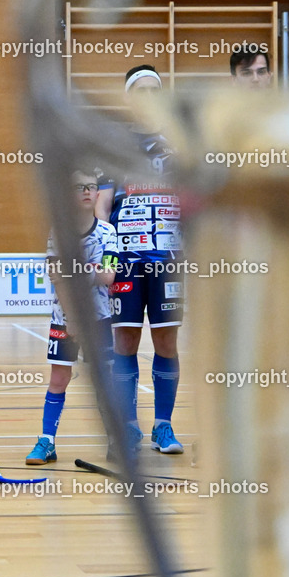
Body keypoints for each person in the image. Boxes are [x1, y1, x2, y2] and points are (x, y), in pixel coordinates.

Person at [96, 65, 185, 456]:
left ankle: (163, 426)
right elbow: (101, 207)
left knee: (166, 340)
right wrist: (104, 254)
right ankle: (128, 427)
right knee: (125, 340)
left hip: (168, 259)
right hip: (127, 260)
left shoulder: (181, 140)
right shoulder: (114, 144)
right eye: (141, 91)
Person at [25, 170, 118, 465]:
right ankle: (46, 442)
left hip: (100, 318)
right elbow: (57, 276)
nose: (88, 192)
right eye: (80, 187)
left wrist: (74, 273)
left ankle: (115, 441)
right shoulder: (59, 232)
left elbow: (108, 275)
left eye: (92, 187)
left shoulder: (108, 232)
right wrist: (72, 317)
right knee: (58, 378)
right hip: (64, 318)